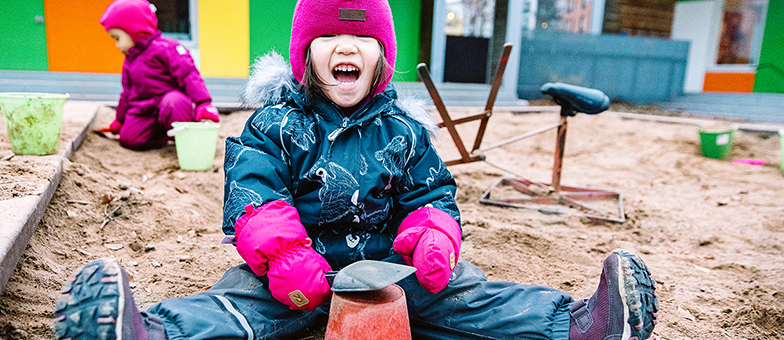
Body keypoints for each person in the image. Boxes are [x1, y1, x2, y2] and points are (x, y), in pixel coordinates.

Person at [54, 0, 658, 339]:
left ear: (383, 60)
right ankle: (147, 334)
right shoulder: (273, 125)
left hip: (388, 269)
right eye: (330, 38)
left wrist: (432, 239)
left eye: (363, 39)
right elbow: (253, 193)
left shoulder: (404, 132)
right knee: (238, 306)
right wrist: (284, 256)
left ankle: (580, 325)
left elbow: (434, 195)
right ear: (304, 56)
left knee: (466, 293)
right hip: (292, 271)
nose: (347, 47)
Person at [95, 0, 219, 151]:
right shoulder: (130, 60)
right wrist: (119, 120)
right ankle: (162, 136)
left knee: (174, 101)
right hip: (145, 109)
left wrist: (203, 103)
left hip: (170, 106)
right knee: (128, 139)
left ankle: (185, 137)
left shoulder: (167, 48)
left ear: (134, 31)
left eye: (117, 38)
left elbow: (189, 75)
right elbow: (126, 93)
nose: (117, 45)